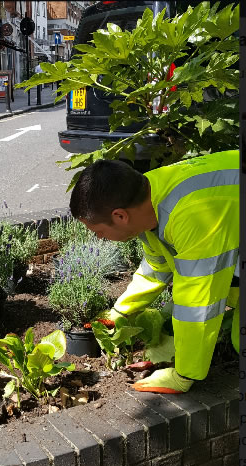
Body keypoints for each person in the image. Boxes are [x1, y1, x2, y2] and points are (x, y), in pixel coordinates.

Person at [69, 151, 239, 393]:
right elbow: (156, 267)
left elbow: (198, 302)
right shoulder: (148, 196)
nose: (99, 238)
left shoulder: (191, 214)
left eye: (98, 231)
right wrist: (120, 311)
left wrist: (183, 374)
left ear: (120, 216)